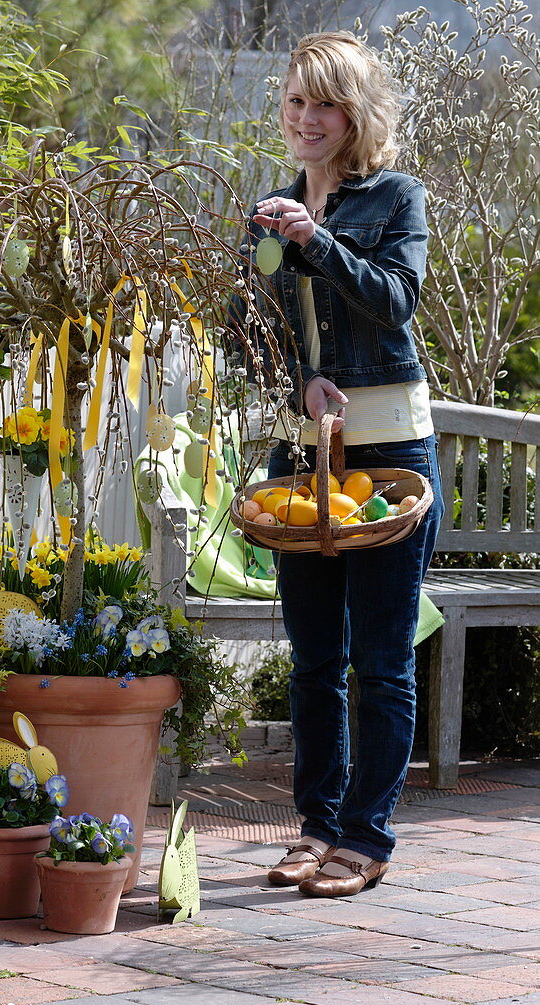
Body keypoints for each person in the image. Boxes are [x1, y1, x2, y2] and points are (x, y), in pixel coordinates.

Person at [226, 31, 445, 898]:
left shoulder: (396, 197)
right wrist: (301, 379)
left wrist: (318, 240)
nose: (306, 118)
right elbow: (250, 333)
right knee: (314, 658)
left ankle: (368, 836)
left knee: (381, 659)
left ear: (354, 117)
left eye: (324, 104)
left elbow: (396, 302)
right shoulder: (267, 210)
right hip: (301, 449)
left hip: (389, 446)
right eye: (295, 101)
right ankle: (316, 826)